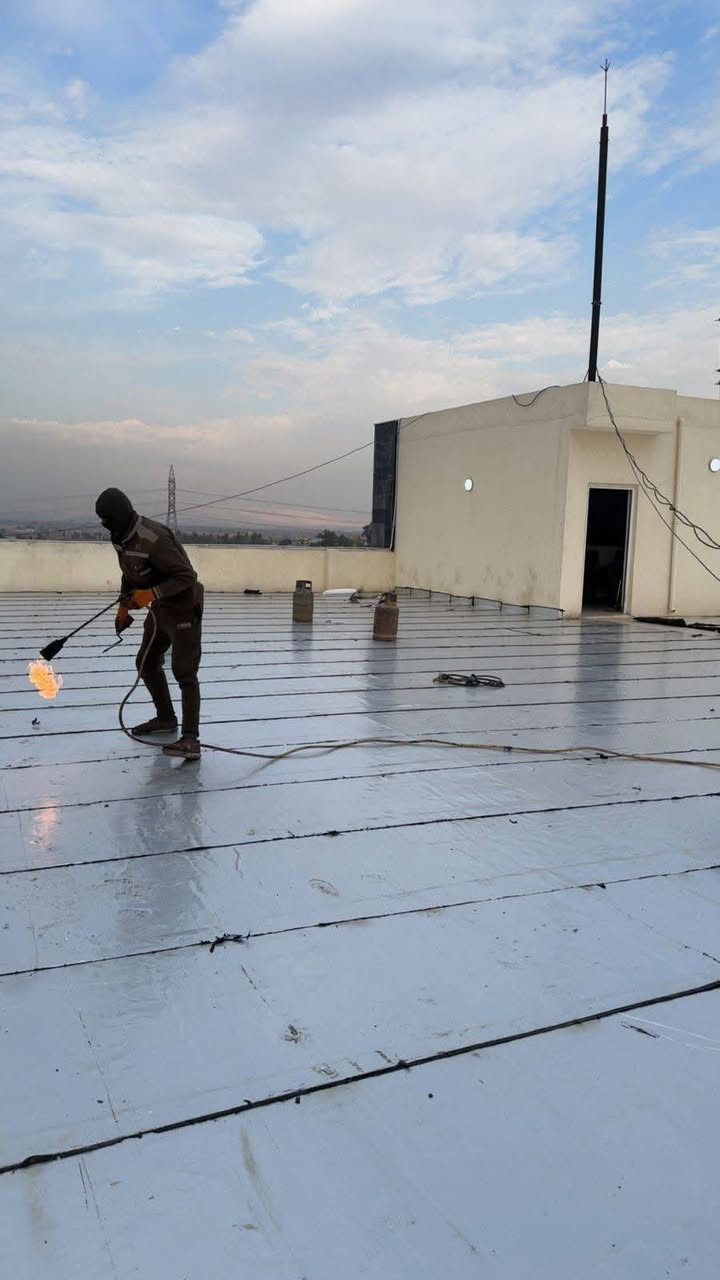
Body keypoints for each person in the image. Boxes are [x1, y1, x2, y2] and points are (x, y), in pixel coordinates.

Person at [95, 487, 204, 760]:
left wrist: (151, 594)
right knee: (146, 660)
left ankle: (191, 740)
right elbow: (128, 573)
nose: (104, 524)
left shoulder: (153, 538)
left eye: (107, 518)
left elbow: (187, 577)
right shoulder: (119, 537)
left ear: (120, 514)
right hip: (160, 610)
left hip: (183, 608)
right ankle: (166, 718)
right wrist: (123, 606)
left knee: (184, 672)